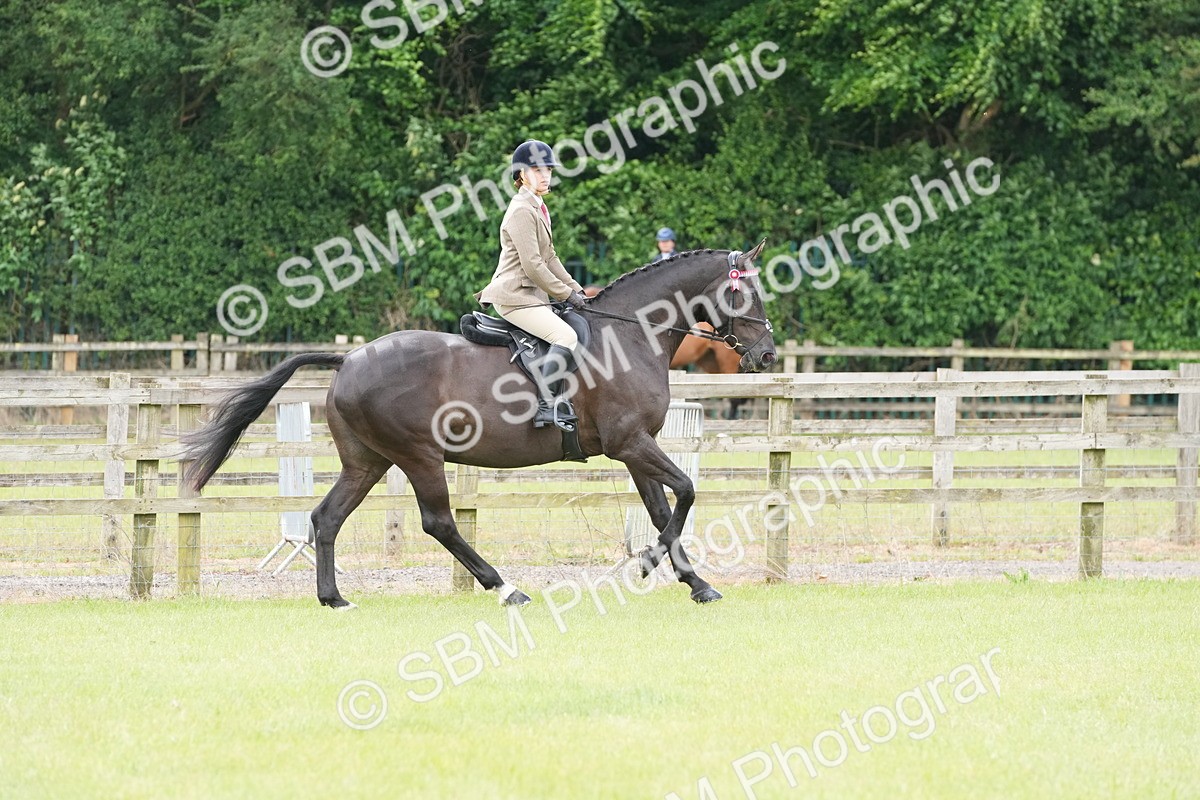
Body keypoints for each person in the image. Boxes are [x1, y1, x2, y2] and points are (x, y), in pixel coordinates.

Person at [475, 139, 588, 431]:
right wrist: (565, 294)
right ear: (522, 174)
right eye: (537, 170)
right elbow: (533, 265)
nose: (545, 175)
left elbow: (550, 256)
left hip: (530, 295)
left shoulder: (538, 206)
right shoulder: (522, 210)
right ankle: (545, 406)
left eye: (548, 169)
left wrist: (576, 289)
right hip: (514, 296)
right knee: (565, 337)